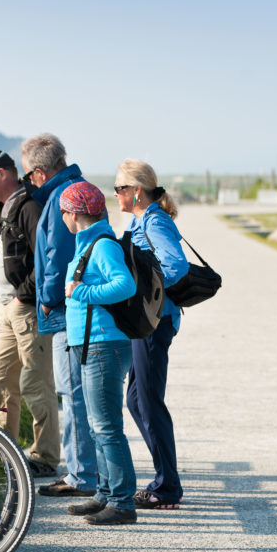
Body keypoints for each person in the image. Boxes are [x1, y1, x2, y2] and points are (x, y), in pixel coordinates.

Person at [0, 149, 60, 477]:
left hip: (27, 309)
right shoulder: (9, 205)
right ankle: (1, 454)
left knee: (36, 383)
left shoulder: (29, 206)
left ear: (3, 173)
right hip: (8, 308)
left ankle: (45, 458)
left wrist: (23, 297)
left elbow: (47, 259)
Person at [20, 134, 97, 496]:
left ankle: (82, 476)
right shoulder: (78, 191)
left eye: (28, 174)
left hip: (67, 308)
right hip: (79, 307)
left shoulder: (61, 199)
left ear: (39, 171)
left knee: (73, 392)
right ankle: (84, 472)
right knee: (77, 392)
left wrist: (48, 297)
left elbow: (58, 255)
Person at [59, 181, 138, 525]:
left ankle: (122, 502)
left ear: (73, 213)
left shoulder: (102, 245)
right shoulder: (88, 243)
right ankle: (105, 494)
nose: (63, 217)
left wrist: (82, 291)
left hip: (105, 344)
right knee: (96, 426)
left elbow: (125, 285)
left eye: (64, 211)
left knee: (107, 427)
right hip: (90, 344)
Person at [114, 159, 189, 510]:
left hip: (154, 323)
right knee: (135, 400)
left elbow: (176, 264)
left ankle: (167, 487)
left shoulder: (154, 220)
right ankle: (166, 477)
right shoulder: (142, 219)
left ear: (136, 191)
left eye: (119, 188)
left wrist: (145, 291)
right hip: (147, 323)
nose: (115, 194)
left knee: (149, 402)